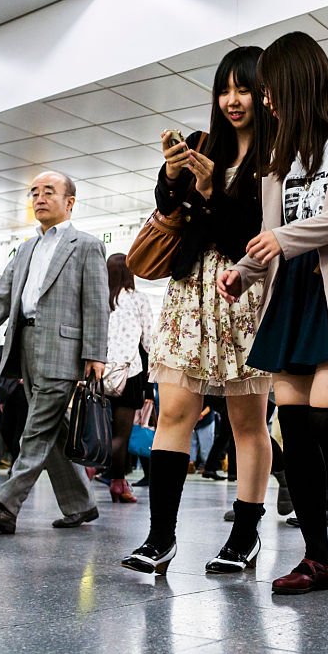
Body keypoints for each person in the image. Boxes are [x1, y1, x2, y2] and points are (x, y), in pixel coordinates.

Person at [218, 32, 328, 594]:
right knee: (294, 428)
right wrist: (242, 272)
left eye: (270, 91)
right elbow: (270, 234)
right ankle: (317, 558)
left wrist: (284, 239)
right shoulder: (281, 155)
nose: (265, 102)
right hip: (290, 292)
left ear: (295, 82)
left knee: (326, 416)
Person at [122, 46, 274, 576]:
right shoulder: (202, 145)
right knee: (174, 414)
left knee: (246, 422)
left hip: (245, 291)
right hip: (189, 293)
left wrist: (211, 191)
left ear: (265, 93)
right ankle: (159, 538)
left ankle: (245, 536)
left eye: (244, 88)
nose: (233, 100)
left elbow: (249, 241)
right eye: (224, 90)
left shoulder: (276, 162)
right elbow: (168, 213)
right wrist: (171, 174)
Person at [0, 170, 108, 534]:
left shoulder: (86, 245)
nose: (39, 198)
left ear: (69, 202)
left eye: (49, 192)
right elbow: (3, 297)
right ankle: (82, 504)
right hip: (25, 344)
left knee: (37, 430)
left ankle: (6, 506)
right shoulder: (26, 248)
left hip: (64, 348)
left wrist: (96, 354)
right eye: (34, 193)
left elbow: (96, 303)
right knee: (54, 431)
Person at [103, 254, 154, 503]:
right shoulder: (139, 300)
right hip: (128, 373)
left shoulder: (99, 301)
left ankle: (92, 470)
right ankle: (117, 483)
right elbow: (149, 341)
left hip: (98, 373)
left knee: (100, 430)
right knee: (121, 435)